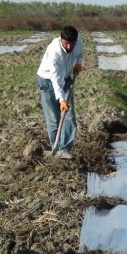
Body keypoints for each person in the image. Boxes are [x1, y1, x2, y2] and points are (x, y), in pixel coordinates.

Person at [37, 25, 83, 159]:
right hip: (48, 82)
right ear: (61, 39)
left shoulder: (78, 41)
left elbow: (79, 53)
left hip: (67, 78)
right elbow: (55, 79)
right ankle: (55, 149)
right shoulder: (54, 52)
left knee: (70, 117)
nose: (69, 47)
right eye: (66, 44)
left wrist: (78, 63)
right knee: (54, 119)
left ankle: (65, 150)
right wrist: (62, 99)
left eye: (72, 44)